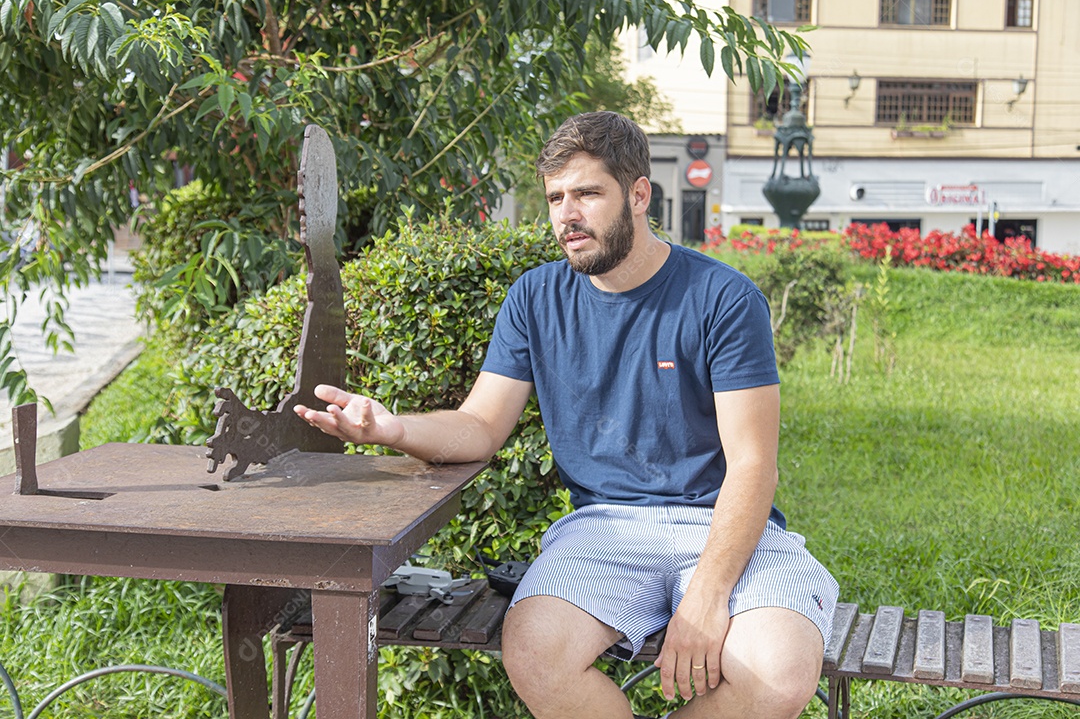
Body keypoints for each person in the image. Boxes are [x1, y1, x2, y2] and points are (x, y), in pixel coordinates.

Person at [294, 111, 838, 719]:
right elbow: (480, 426)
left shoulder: (723, 299)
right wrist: (392, 428)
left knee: (780, 674)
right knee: (534, 653)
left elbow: (753, 463)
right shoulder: (535, 297)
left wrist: (707, 597)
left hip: (724, 529)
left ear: (638, 195)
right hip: (603, 530)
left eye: (586, 193)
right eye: (555, 197)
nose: (566, 215)